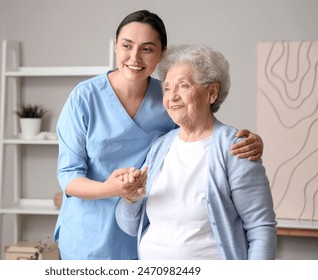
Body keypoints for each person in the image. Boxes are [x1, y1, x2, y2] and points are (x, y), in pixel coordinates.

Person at [54, 10, 264, 260]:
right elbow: (68, 177)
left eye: (147, 49)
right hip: (89, 235)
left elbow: (199, 135)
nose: (134, 57)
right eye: (126, 46)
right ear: (115, 46)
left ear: (162, 53)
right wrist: (109, 189)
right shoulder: (84, 98)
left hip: (144, 233)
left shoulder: (167, 97)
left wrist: (246, 142)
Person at [115, 44, 277, 260]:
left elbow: (261, 228)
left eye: (183, 86)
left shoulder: (237, 147)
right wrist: (130, 199)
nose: (172, 97)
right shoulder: (160, 147)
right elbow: (130, 227)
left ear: (212, 92)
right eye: (168, 88)